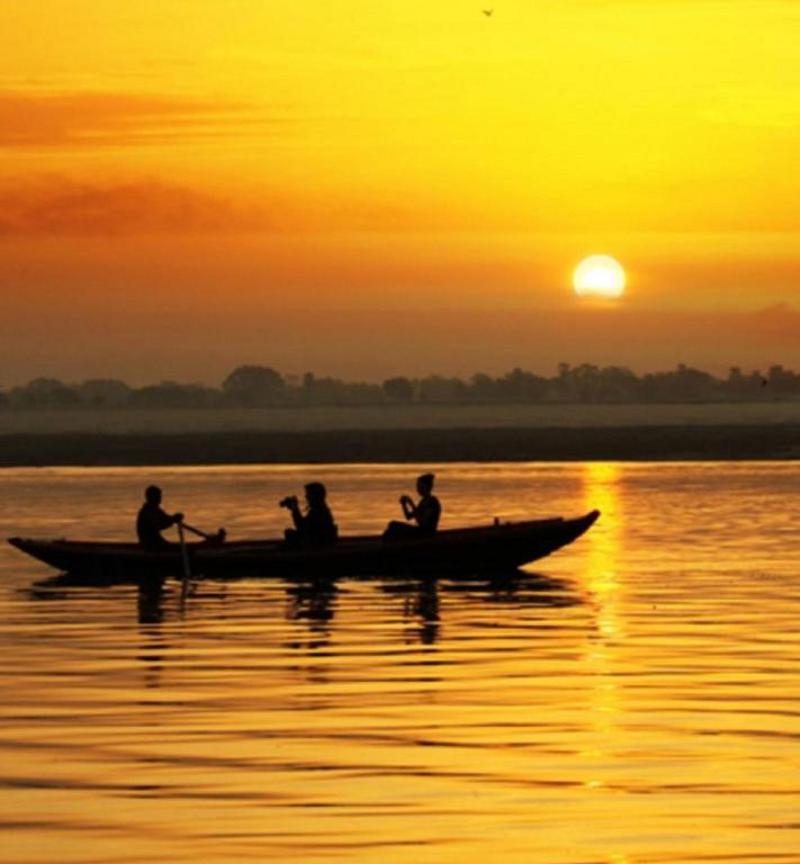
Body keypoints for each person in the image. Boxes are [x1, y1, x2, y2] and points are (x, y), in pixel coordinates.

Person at [384, 473, 442, 540]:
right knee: (392, 524)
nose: (418, 489)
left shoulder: (432, 502)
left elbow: (423, 523)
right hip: (419, 531)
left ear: (427, 487)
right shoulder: (423, 502)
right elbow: (408, 517)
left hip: (426, 534)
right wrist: (404, 505)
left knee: (394, 527)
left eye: (420, 487)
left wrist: (412, 504)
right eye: (417, 487)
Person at [281, 482, 338, 547]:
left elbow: (302, 527)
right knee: (289, 533)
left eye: (308, 494)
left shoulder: (318, 511)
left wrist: (295, 509)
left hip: (319, 544)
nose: (306, 496)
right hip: (321, 542)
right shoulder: (319, 508)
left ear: (315, 496)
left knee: (290, 534)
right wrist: (295, 509)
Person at [136, 485, 184, 550]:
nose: (160, 498)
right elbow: (160, 524)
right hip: (151, 544)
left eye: (160, 496)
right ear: (151, 497)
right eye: (158, 496)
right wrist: (173, 519)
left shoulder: (155, 509)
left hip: (157, 542)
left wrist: (174, 518)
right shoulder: (148, 511)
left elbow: (165, 518)